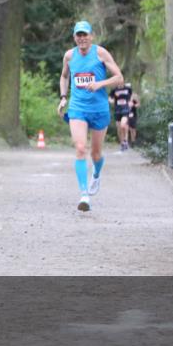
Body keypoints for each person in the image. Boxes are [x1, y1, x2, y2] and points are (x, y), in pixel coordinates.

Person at [57, 20, 124, 212]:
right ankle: (84, 194)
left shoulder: (100, 53)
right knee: (80, 148)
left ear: (91, 36)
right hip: (78, 108)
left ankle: (96, 173)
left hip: (99, 109)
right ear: (74, 38)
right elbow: (64, 76)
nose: (82, 38)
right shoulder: (69, 56)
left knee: (96, 153)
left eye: (85, 34)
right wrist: (63, 97)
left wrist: (100, 84)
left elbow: (119, 78)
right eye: (78, 35)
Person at [110, 81, 133, 152]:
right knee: (119, 128)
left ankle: (125, 140)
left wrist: (130, 102)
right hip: (117, 110)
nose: (120, 83)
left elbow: (131, 96)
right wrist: (111, 101)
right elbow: (110, 98)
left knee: (123, 125)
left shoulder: (128, 88)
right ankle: (122, 143)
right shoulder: (114, 90)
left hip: (125, 109)